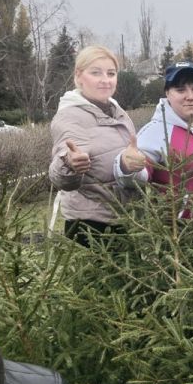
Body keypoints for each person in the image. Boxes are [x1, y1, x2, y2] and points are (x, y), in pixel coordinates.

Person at [48, 45, 137, 245]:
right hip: (90, 227)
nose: (105, 80)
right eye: (96, 73)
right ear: (79, 77)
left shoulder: (117, 111)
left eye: (111, 73)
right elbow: (61, 176)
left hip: (123, 220)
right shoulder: (70, 117)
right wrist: (70, 163)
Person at [114, 61, 193, 219]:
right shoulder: (157, 131)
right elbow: (138, 177)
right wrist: (127, 166)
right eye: (180, 90)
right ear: (167, 93)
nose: (190, 96)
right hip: (178, 234)